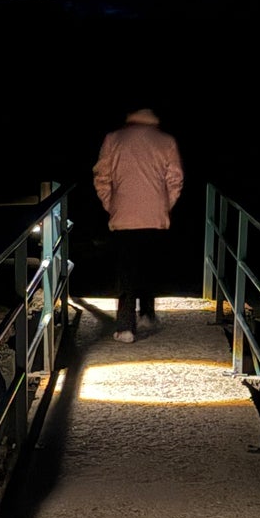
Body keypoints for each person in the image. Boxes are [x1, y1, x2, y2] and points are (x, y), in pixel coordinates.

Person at [91, 106, 184, 342]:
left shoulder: (113, 139)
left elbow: (101, 177)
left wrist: (111, 204)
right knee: (149, 264)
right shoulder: (166, 141)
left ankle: (126, 327)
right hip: (155, 215)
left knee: (125, 270)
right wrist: (164, 205)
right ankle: (147, 313)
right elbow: (175, 180)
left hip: (123, 214)